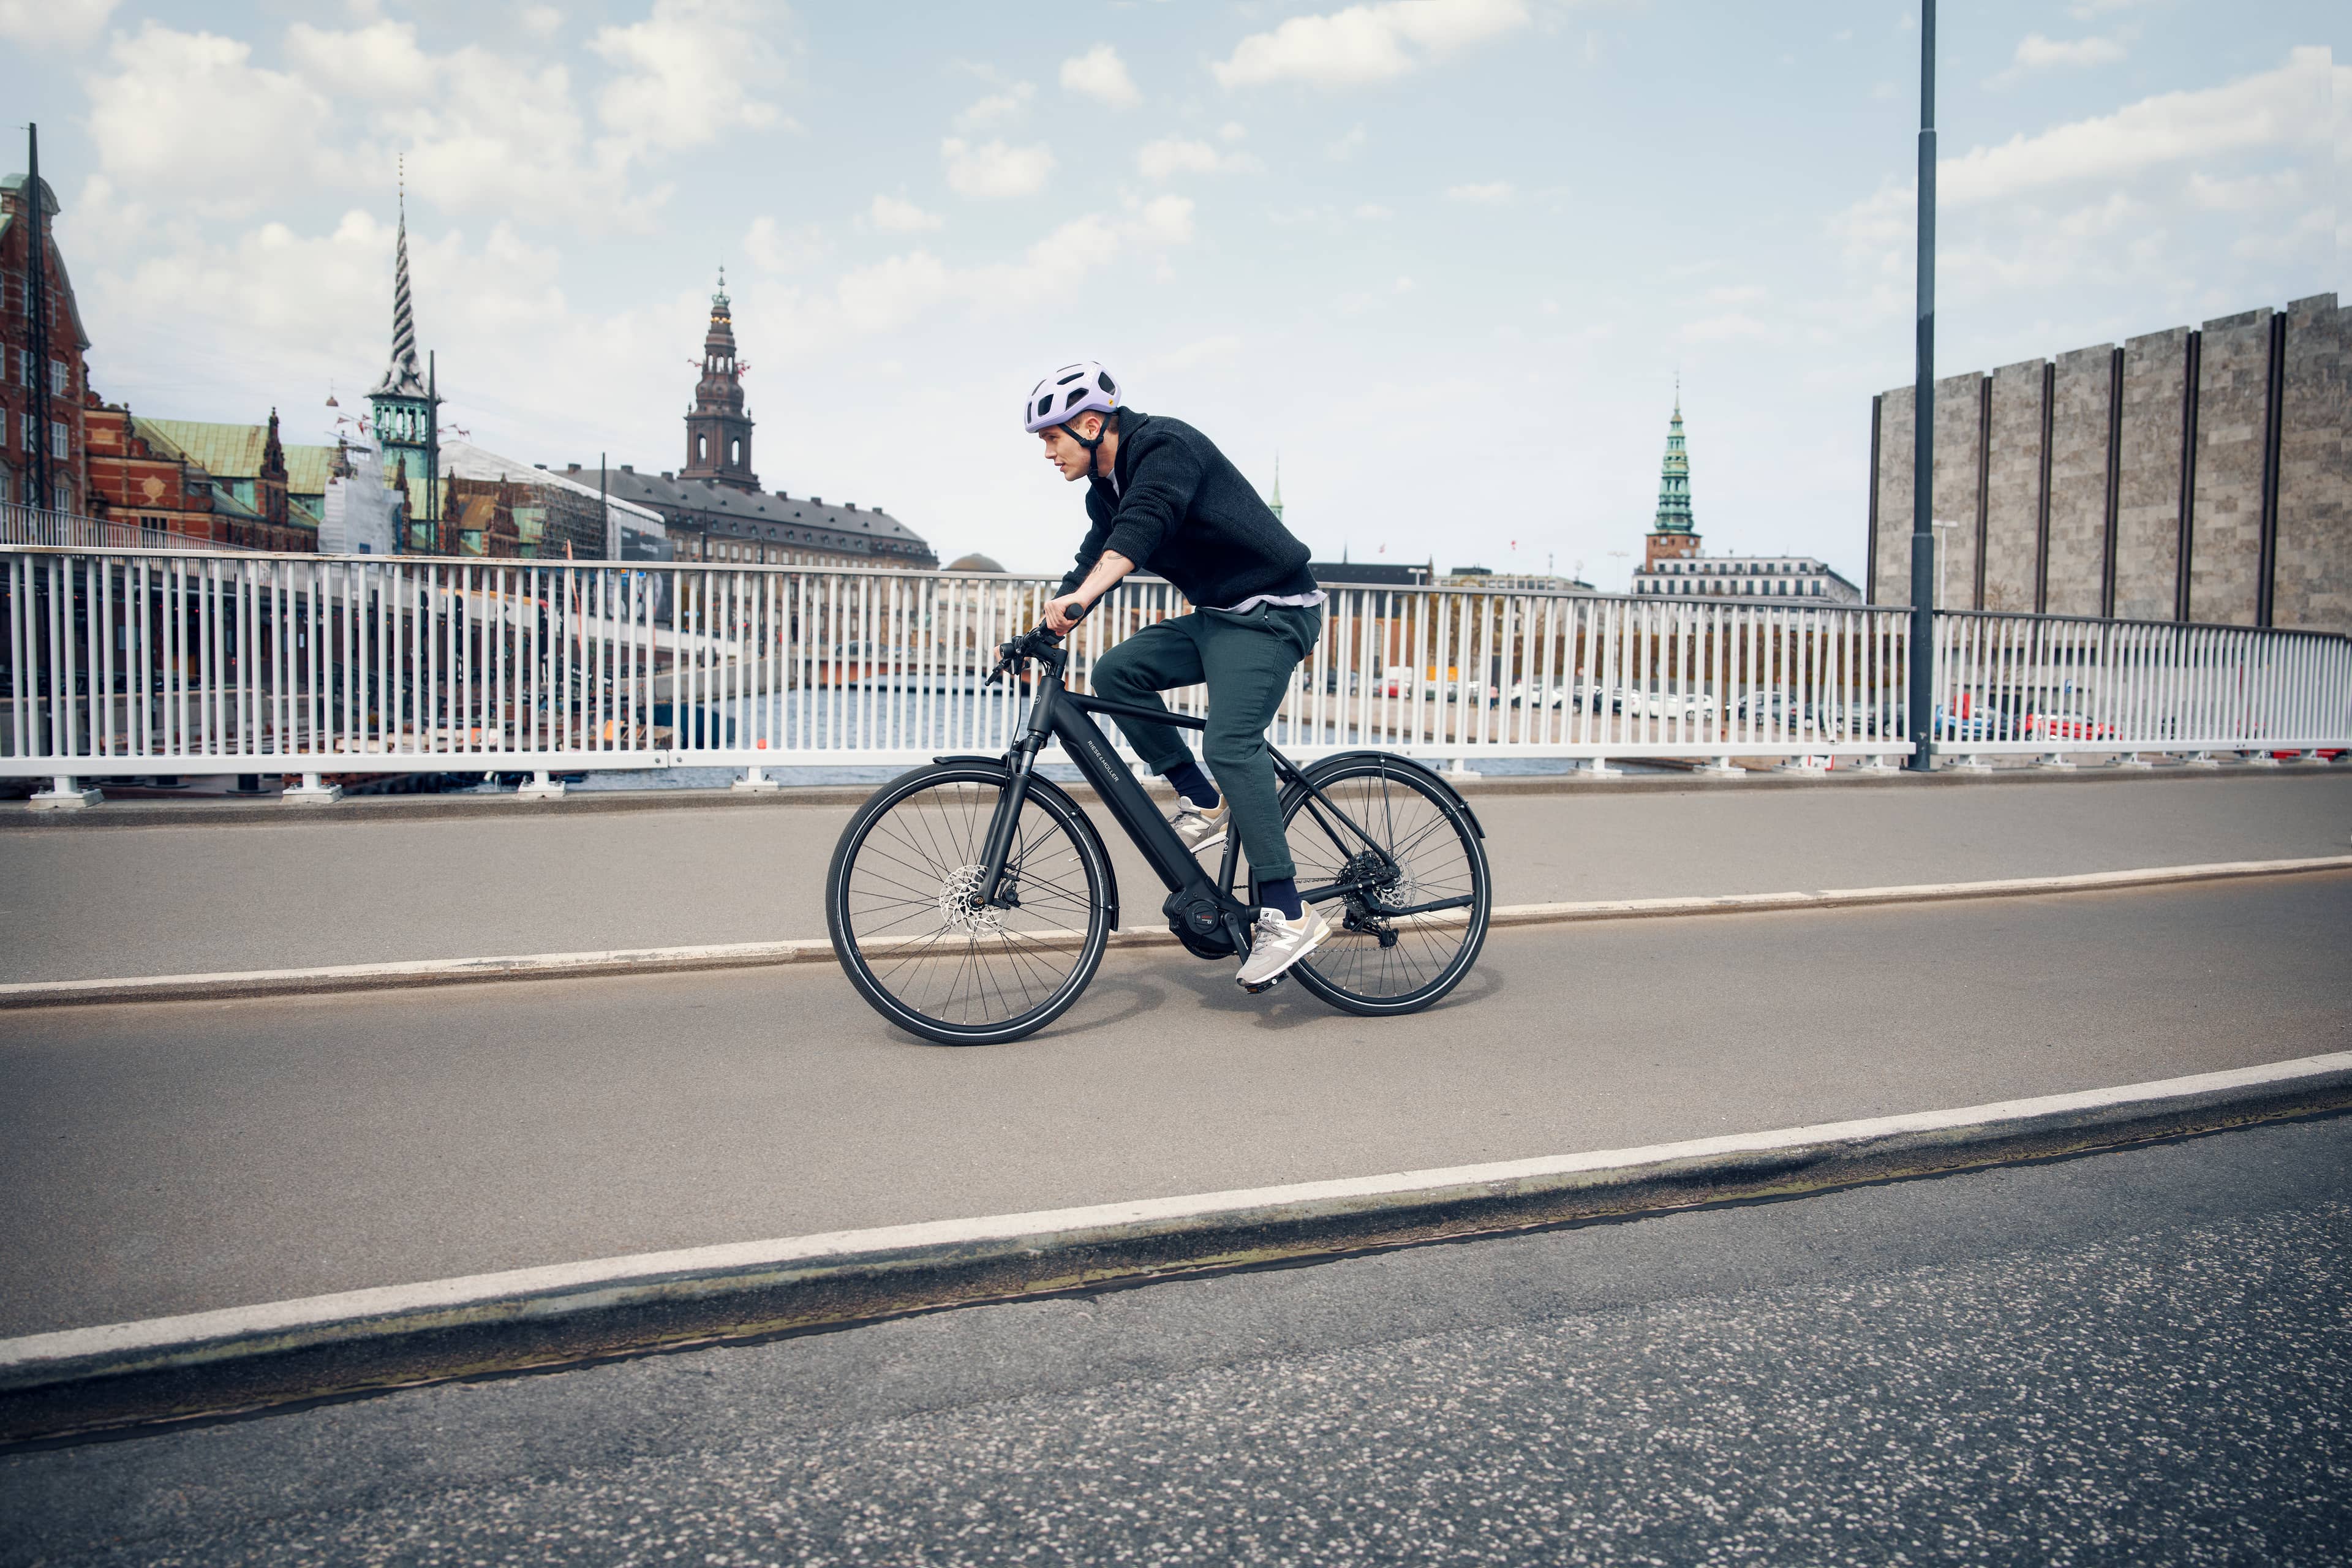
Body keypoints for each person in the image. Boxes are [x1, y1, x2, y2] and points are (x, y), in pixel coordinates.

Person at [1026, 360, 1330, 991]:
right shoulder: (1104, 490)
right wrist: (1045, 624)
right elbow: (1092, 557)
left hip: (1274, 613)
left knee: (1230, 742)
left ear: (1088, 424)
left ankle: (1288, 910)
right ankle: (1203, 796)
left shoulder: (1164, 448)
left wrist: (1083, 602)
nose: (1048, 453)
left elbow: (1142, 530)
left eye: (1052, 438)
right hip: (1220, 616)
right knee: (1118, 672)